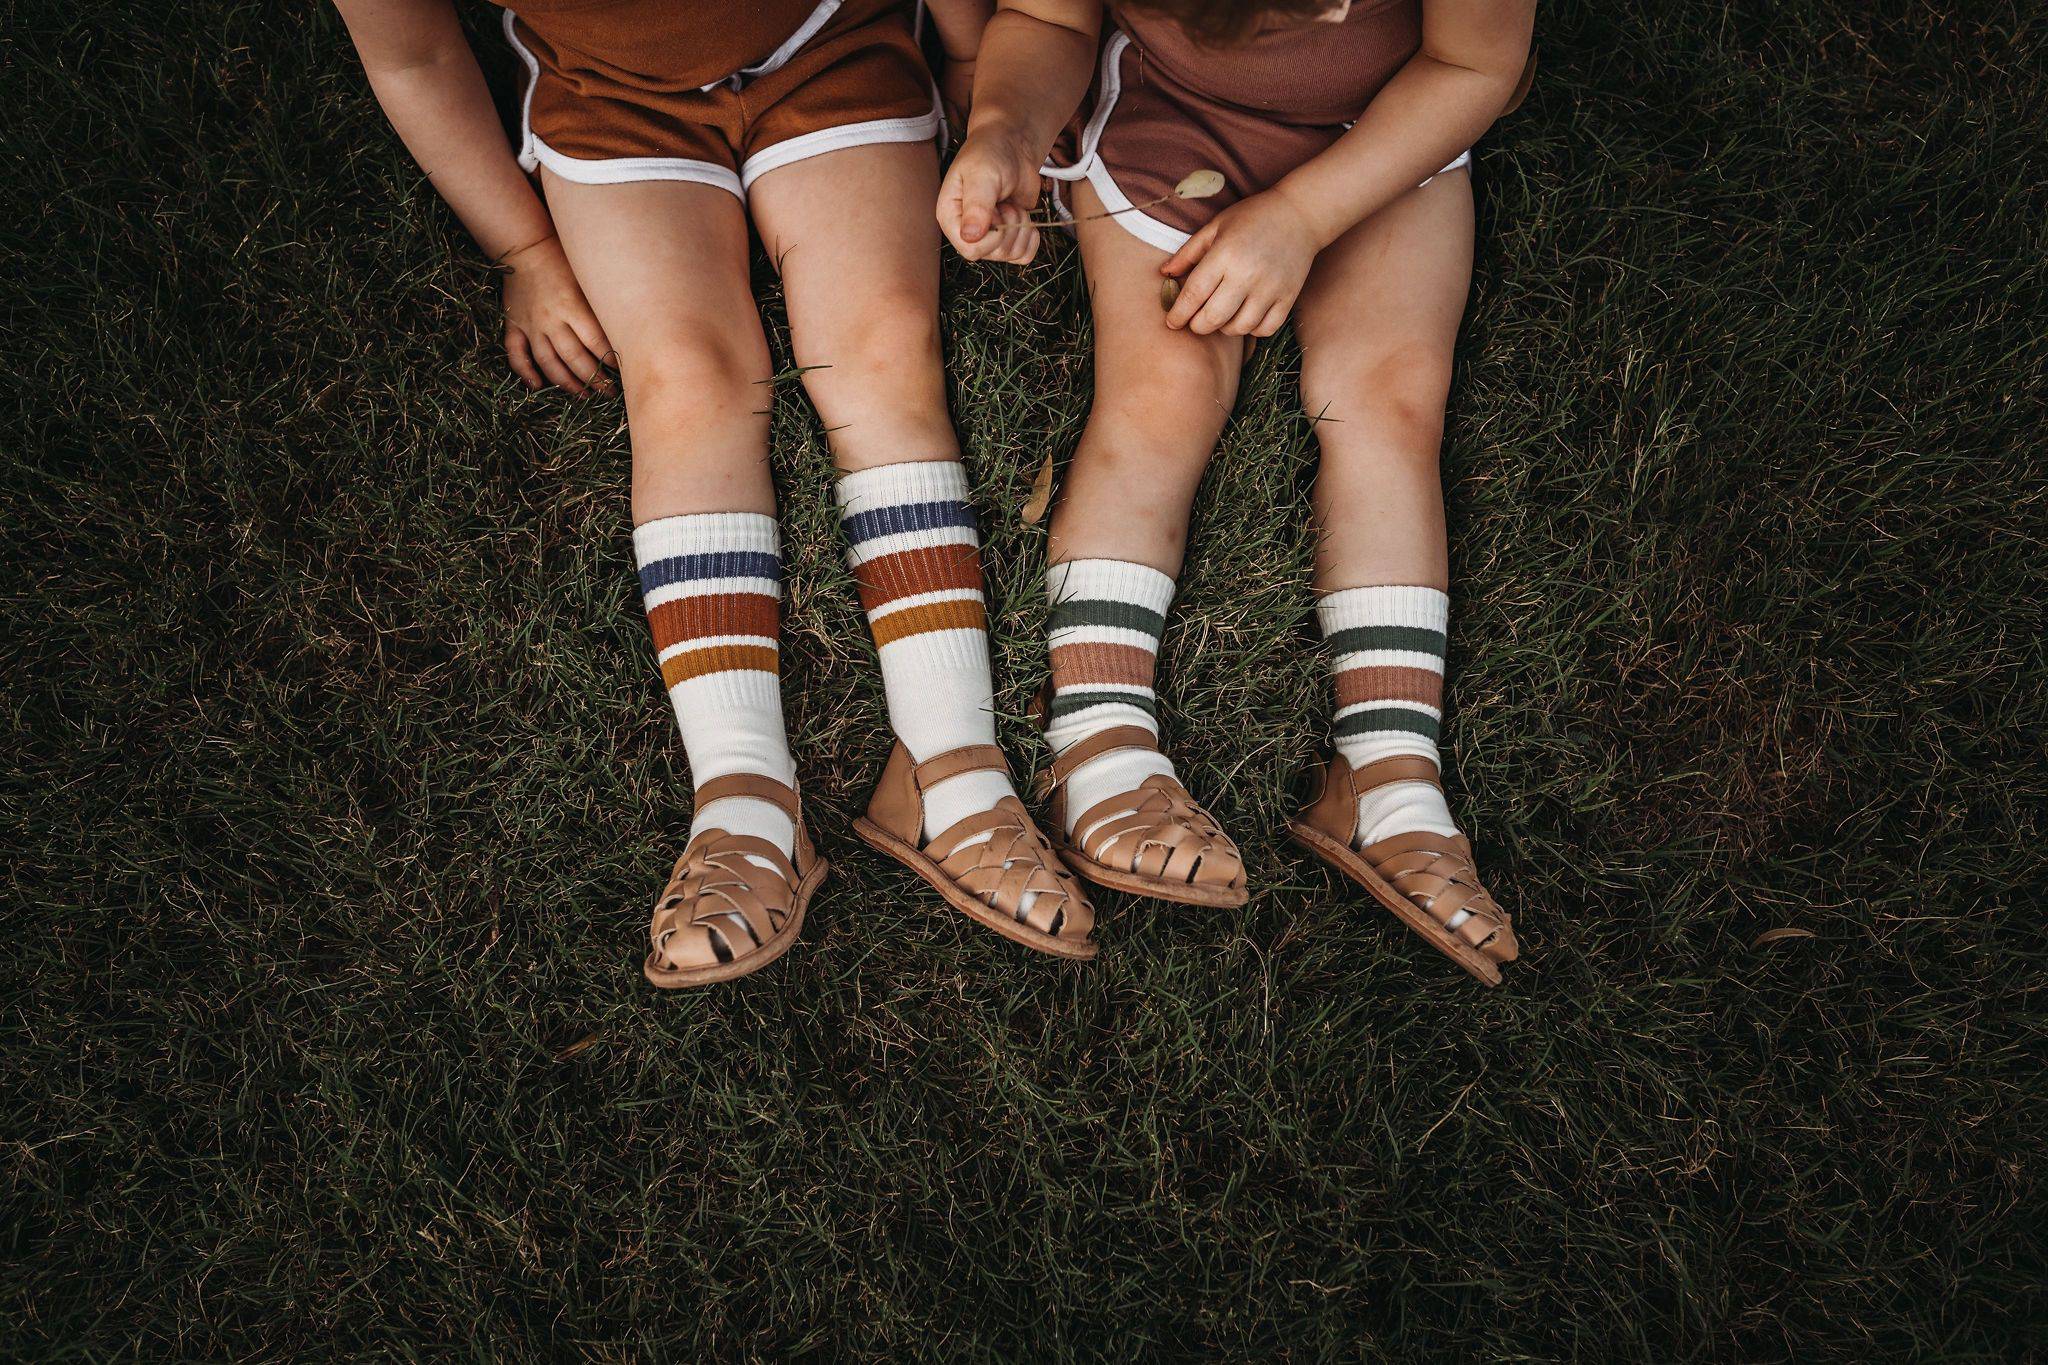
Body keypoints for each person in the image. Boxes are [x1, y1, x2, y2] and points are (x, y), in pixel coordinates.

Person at [336, 0, 1098, 988]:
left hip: (827, 48)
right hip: (608, 98)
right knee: (685, 382)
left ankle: (947, 760)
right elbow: (414, 53)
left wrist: (965, 60)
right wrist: (521, 252)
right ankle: (744, 797)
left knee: (879, 355)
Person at [937, 0, 1534, 984]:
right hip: (1173, 114)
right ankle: (1096, 736)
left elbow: (1474, 67)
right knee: (1161, 392)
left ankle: (1384, 778)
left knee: (1387, 404)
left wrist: (1301, 217)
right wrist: (1004, 128)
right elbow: (1045, 16)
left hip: (1393, 118)